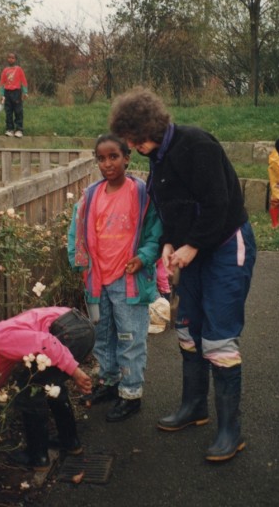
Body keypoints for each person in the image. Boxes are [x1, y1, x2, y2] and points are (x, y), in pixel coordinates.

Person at [109, 86, 257, 462]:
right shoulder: (157, 155)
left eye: (132, 138)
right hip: (191, 250)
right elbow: (171, 207)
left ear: (147, 129)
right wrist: (170, 243)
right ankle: (195, 407)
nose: (130, 145)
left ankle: (230, 430)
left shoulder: (196, 144)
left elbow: (218, 202)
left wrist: (192, 244)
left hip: (225, 244)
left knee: (219, 338)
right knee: (188, 330)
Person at [68, 134, 162, 422]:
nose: (107, 164)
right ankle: (109, 383)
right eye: (101, 158)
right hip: (97, 282)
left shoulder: (142, 193)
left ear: (127, 158)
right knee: (102, 335)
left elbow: (155, 233)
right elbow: (77, 232)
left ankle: (131, 393)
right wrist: (79, 262)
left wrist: (143, 257)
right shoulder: (91, 196)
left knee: (130, 338)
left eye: (114, 157)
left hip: (128, 281)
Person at [0, 306, 94, 471]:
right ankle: (69, 441)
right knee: (50, 384)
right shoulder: (0, 336)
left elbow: (47, 342)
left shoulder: (1, 338)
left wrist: (76, 372)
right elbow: (1, 372)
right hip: (78, 327)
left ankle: (37, 457)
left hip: (71, 333)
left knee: (28, 393)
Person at [0, 52, 28, 138]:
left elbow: (23, 81)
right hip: (7, 93)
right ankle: (9, 129)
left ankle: (19, 129)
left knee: (18, 111)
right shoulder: (5, 70)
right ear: (7, 59)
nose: (10, 59)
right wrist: (2, 94)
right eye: (9, 58)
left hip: (16, 92)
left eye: (12, 58)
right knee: (8, 111)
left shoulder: (18, 69)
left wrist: (25, 92)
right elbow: (2, 83)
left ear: (15, 59)